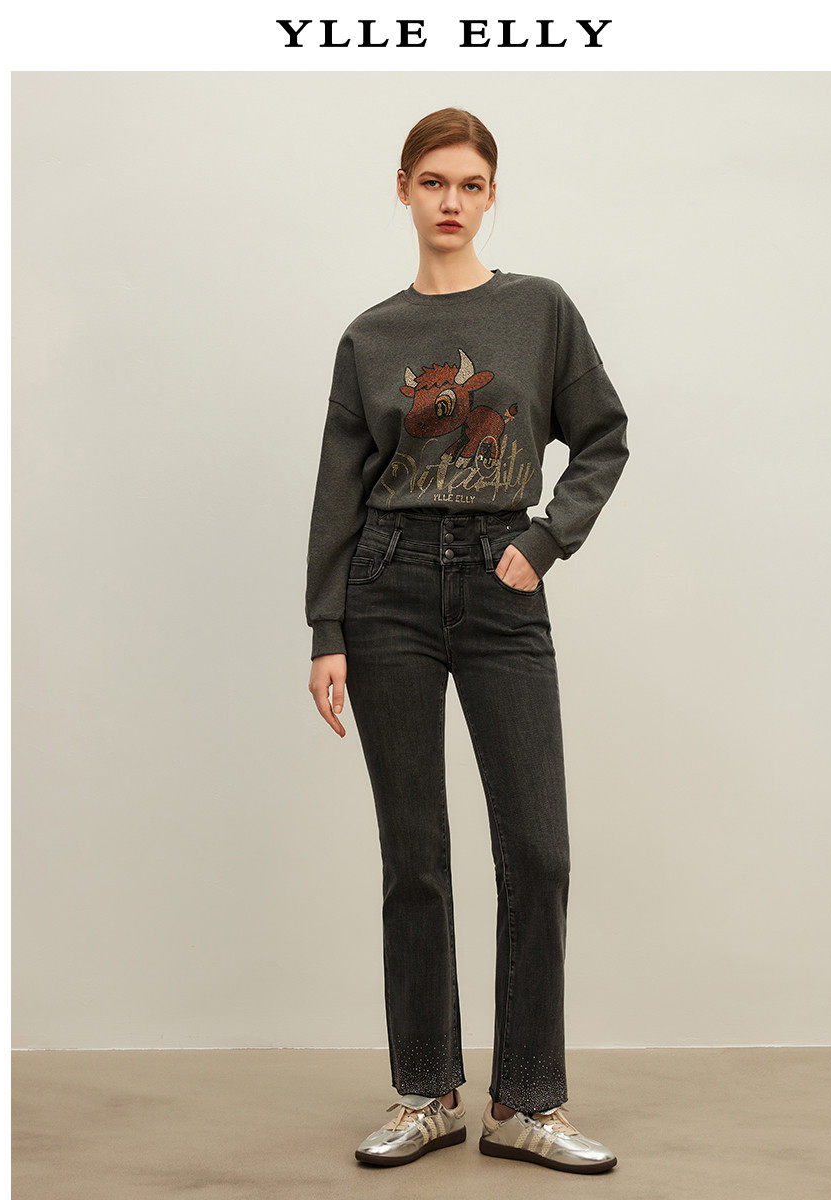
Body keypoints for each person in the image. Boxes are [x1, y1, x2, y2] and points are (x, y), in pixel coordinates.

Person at [305, 108, 629, 1174]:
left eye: (471, 184)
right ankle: (427, 1093)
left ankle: (525, 1102)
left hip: (501, 581)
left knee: (537, 848)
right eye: (434, 181)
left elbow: (603, 436)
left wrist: (544, 540)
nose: (452, 201)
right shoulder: (371, 338)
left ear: (491, 196)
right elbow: (339, 491)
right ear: (403, 189)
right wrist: (327, 627)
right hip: (387, 583)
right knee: (416, 853)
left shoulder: (539, 311)